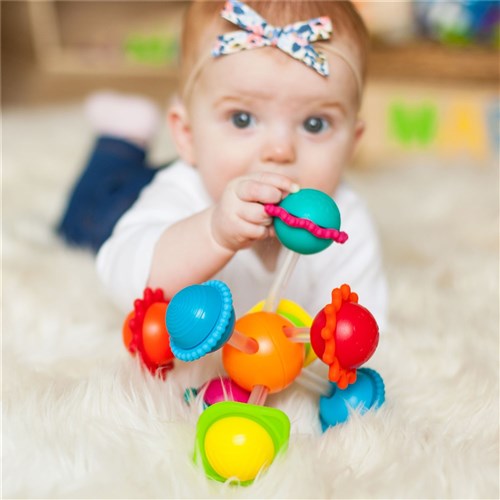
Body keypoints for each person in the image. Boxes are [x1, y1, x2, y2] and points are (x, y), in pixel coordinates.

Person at [58, 0, 388, 329]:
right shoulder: (179, 193)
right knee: (85, 219)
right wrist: (213, 234)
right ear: (187, 134)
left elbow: (360, 327)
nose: (279, 150)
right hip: (127, 199)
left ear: (352, 143)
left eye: (315, 124)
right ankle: (121, 138)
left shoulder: (345, 222)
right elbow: (124, 281)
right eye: (242, 119)